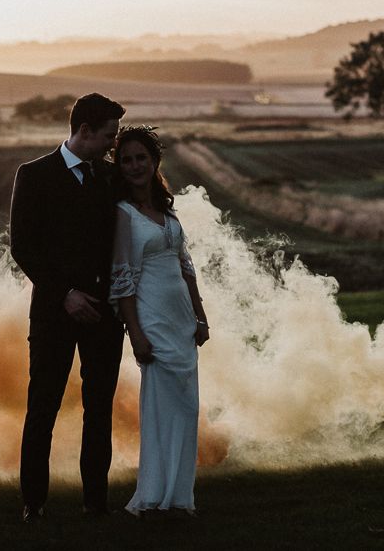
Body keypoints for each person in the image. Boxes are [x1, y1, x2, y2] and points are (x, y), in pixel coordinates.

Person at [10, 93, 126, 524]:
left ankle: (96, 503)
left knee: (99, 409)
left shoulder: (112, 179)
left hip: (105, 315)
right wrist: (65, 294)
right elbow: (22, 246)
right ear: (84, 131)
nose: (113, 144)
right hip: (53, 314)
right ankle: (33, 504)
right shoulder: (34, 175)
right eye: (109, 136)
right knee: (43, 406)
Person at [109, 125, 210, 517]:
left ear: (155, 163)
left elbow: (187, 269)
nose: (134, 166)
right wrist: (135, 332)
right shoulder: (122, 213)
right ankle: (154, 494)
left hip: (182, 319)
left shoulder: (167, 212)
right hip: (151, 320)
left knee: (186, 410)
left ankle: (179, 496)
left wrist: (200, 318)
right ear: (120, 166)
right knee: (160, 409)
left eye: (141, 159)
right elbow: (123, 279)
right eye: (127, 159)